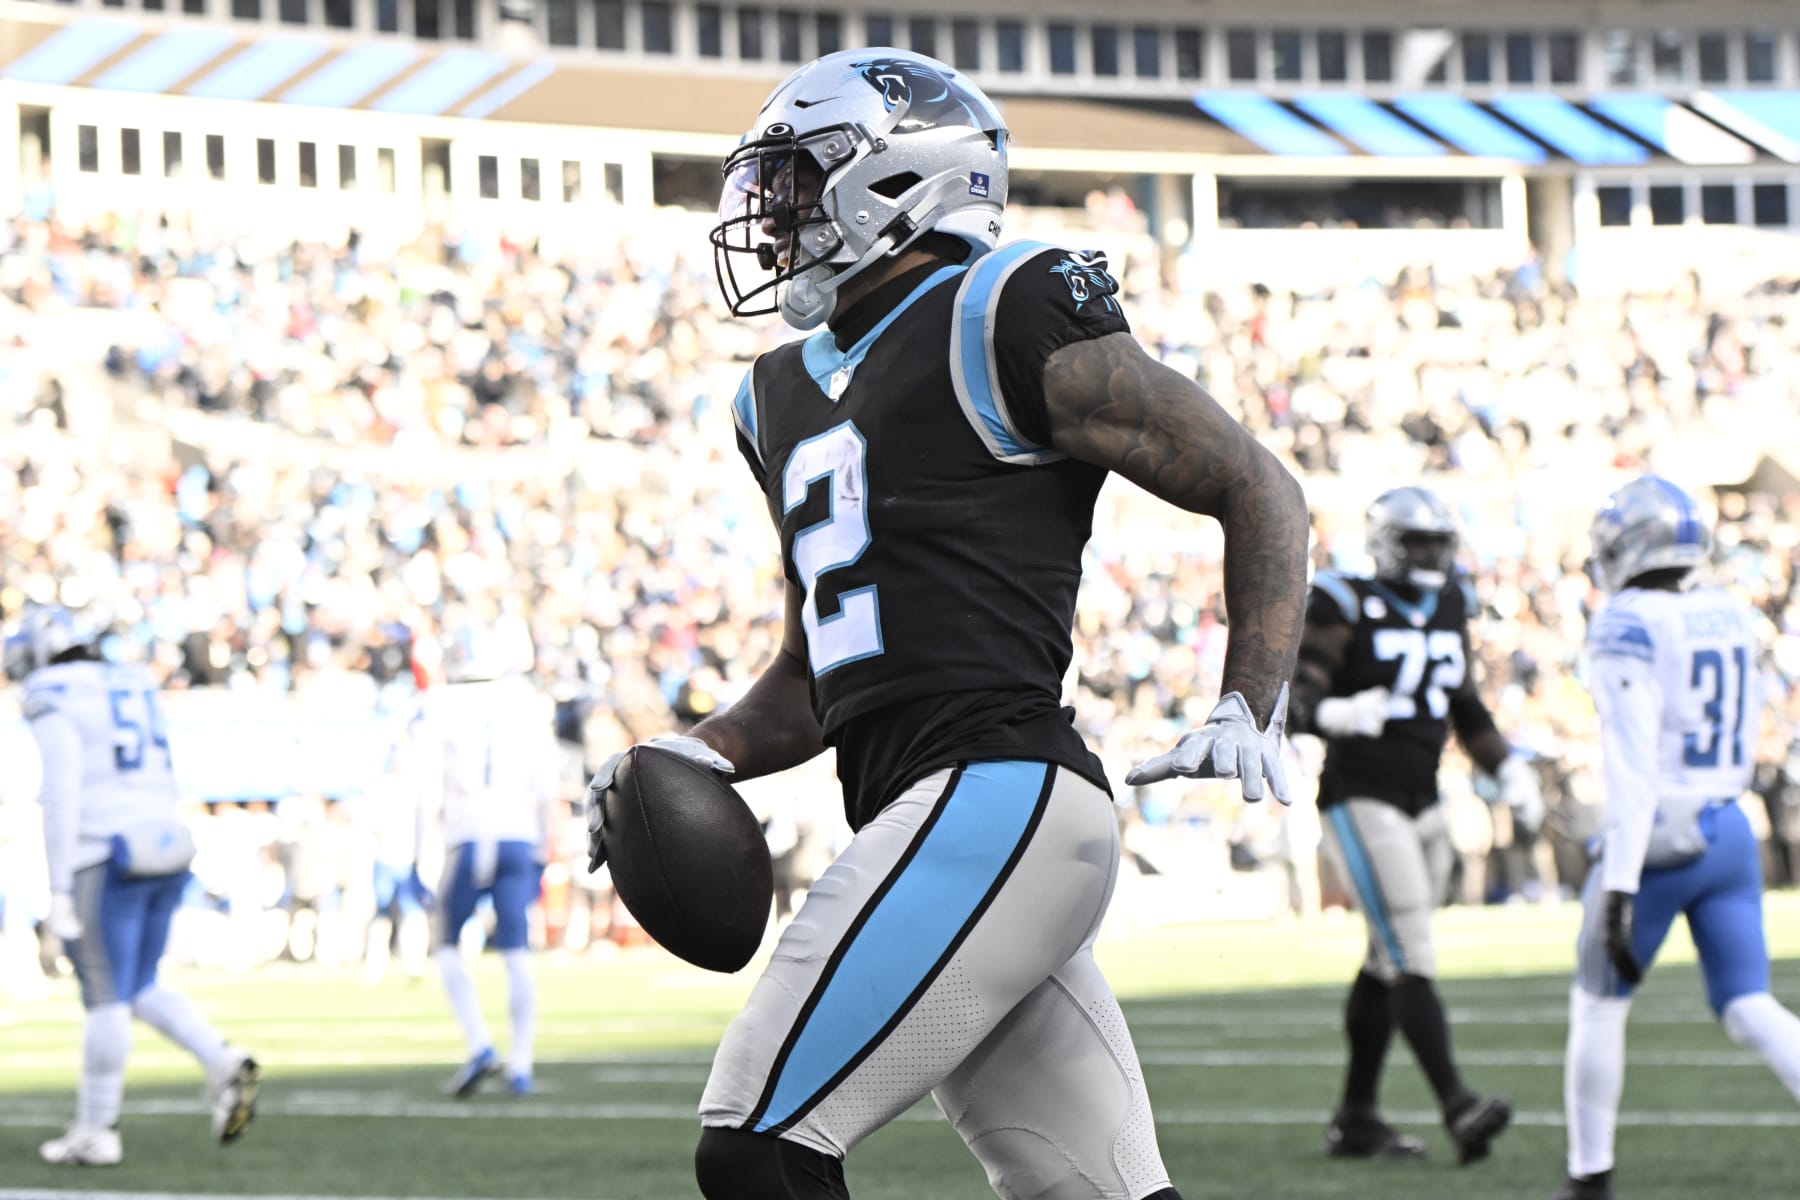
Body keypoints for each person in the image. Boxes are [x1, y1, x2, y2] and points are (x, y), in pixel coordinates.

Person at [586, 48, 1310, 1200]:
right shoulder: (770, 394)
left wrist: (1252, 696)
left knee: (757, 1142)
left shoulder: (1003, 304)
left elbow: (1255, 484)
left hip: (999, 793)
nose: (768, 215)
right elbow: (816, 671)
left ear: (894, 179)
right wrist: (692, 751)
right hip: (940, 817)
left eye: (793, 180)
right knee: (1091, 1191)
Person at [1553, 476, 1800, 1200]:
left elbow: (1633, 773)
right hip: (1727, 826)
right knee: (1749, 1006)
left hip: (1656, 839)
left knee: (1598, 1003)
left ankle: (1588, 1176)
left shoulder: (1627, 619)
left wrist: (1621, 883)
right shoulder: (1728, 609)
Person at [1286, 485, 1540, 1165]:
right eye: (1418, 543)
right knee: (1408, 950)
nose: (1431, 555)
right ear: (1388, 545)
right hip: (1359, 794)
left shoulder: (1450, 601)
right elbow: (1295, 692)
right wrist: (1332, 715)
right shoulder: (1345, 598)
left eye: (1438, 543)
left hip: (1425, 796)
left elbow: (1462, 700)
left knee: (1385, 958)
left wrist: (1505, 768)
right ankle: (1458, 1104)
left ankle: (1356, 1118)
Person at [6, 606, 259, 1166]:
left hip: (107, 852)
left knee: (105, 996)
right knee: (139, 984)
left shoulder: (54, 688)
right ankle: (221, 1060)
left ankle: (97, 1129)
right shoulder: (130, 678)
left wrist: (61, 889)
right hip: (167, 840)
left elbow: (61, 791)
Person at [416, 626, 562, 1098]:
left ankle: (480, 1043)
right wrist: (543, 842)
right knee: (517, 952)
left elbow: (428, 788)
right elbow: (546, 783)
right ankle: (521, 1062)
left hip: (467, 834)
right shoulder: (524, 700)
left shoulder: (439, 703)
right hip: (517, 834)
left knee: (444, 943)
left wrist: (423, 854)